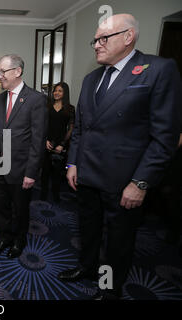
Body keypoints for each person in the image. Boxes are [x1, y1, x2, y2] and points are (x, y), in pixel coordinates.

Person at [58, 14, 181, 300]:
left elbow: (165, 137)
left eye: (104, 38)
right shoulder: (91, 79)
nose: (96, 45)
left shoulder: (158, 69)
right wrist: (73, 163)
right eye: (95, 40)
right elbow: (80, 129)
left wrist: (140, 182)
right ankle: (87, 268)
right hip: (87, 174)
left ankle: (109, 288)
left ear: (129, 37)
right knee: (88, 229)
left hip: (124, 180)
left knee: (118, 240)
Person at [0, 54, 48, 259]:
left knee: (20, 209)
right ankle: (5, 237)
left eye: (2, 71)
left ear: (17, 71)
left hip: (21, 169)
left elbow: (38, 140)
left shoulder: (36, 99)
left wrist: (32, 173)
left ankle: (19, 241)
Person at [40, 82, 75, 203]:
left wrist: (62, 144)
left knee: (57, 172)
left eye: (60, 91)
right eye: (55, 90)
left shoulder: (70, 109)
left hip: (61, 144)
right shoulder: (47, 107)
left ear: (64, 93)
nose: (56, 93)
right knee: (45, 171)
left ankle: (56, 195)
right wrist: (44, 140)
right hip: (47, 142)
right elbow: (42, 125)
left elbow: (71, 128)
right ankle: (43, 194)